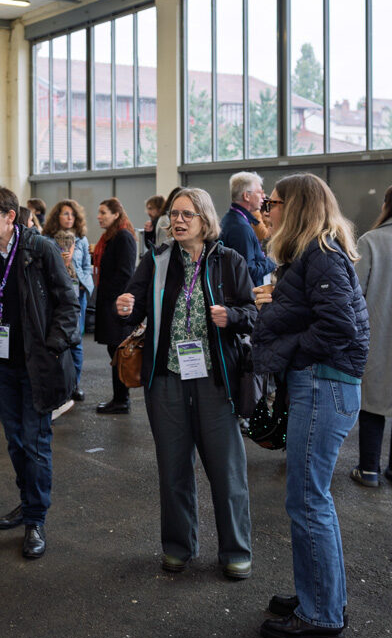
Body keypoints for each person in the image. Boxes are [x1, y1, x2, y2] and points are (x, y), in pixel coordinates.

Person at [252, 173, 369, 638]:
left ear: (295, 207)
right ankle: (318, 596)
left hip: (324, 384)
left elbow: (338, 326)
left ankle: (321, 617)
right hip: (322, 383)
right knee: (308, 498)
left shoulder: (320, 255)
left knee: (307, 499)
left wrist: (289, 351)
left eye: (272, 203)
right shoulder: (313, 254)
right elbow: (320, 314)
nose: (266, 211)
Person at [116, 188, 256, 579]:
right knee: (173, 467)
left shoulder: (229, 261)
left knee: (226, 470)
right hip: (167, 381)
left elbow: (252, 312)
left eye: (186, 215)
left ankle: (235, 551)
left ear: (205, 220)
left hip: (215, 379)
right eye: (173, 215)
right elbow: (134, 304)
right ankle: (178, 546)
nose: (176, 221)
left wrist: (232, 316)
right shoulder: (157, 260)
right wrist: (125, 306)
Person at [0, 186, 79, 558]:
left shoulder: (40, 249)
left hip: (36, 363)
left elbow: (69, 301)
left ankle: (36, 518)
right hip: (0, 364)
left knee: (35, 443)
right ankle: (27, 500)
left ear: (9, 216)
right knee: (16, 440)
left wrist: (52, 347)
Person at [351, 185, 392, 487]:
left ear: (386, 205)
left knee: (372, 402)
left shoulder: (371, 241)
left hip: (377, 334)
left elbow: (354, 293)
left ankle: (369, 470)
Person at [43, 199, 94, 401]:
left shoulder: (81, 239)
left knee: (76, 340)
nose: (69, 217)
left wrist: (84, 283)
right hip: (55, 294)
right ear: (57, 216)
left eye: (72, 214)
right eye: (65, 214)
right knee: (56, 338)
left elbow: (86, 266)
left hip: (76, 294)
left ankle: (75, 385)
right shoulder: (46, 239)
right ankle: (57, 384)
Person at [92, 198, 137, 414]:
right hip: (110, 302)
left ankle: (122, 400)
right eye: (99, 212)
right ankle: (120, 398)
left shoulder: (123, 237)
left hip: (117, 306)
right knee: (115, 351)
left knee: (118, 351)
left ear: (116, 214)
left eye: (103, 212)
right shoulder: (111, 237)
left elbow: (126, 273)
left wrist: (112, 300)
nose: (99, 216)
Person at [219, 171, 276, 287]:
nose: (264, 197)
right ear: (246, 196)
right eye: (259, 193)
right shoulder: (240, 228)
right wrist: (273, 261)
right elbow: (249, 271)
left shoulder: (232, 220)